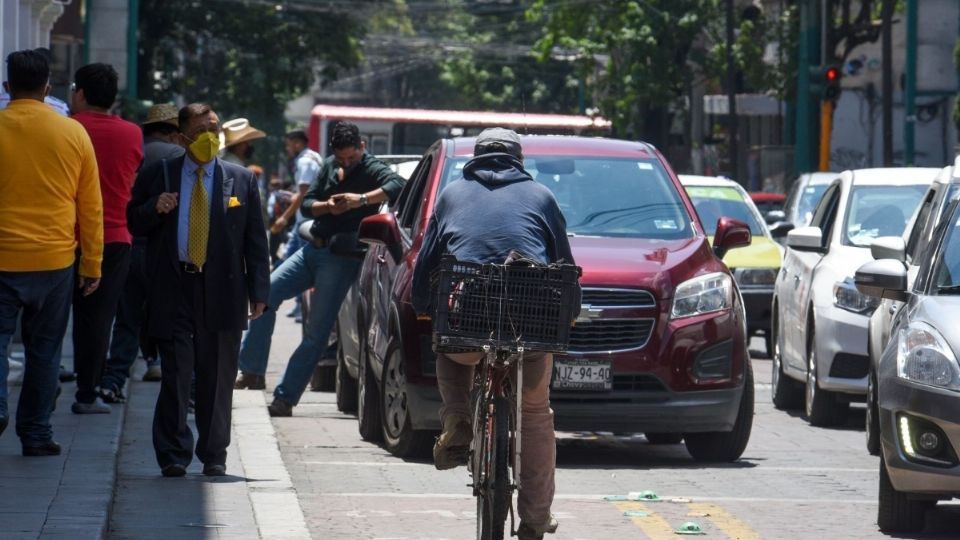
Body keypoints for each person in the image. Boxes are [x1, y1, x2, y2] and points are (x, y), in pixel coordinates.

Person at [410, 128, 574, 540]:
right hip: (530, 329)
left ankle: (458, 416)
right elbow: (564, 264)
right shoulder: (542, 196)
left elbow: (428, 262)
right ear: (519, 158)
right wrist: (569, 314)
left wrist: (422, 306)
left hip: (469, 324)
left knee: (446, 348)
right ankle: (535, 519)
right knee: (535, 415)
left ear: (476, 156)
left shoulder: (450, 194)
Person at [126, 103, 270, 477]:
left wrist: (259, 291)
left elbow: (256, 241)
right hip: (175, 288)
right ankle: (174, 452)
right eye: (202, 129)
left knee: (218, 376)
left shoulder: (240, 180)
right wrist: (153, 208)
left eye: (215, 128)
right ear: (180, 136)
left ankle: (214, 452)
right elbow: (133, 221)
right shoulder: (161, 174)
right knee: (177, 373)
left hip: (222, 290)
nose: (211, 136)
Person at [235, 122, 405, 416]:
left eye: (351, 157)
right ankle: (251, 370)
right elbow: (308, 204)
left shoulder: (372, 168)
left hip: (342, 258)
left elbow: (396, 186)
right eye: (341, 158)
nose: (346, 163)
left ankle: (285, 397)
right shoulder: (328, 165)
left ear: (362, 147)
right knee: (266, 295)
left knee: (316, 333)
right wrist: (330, 206)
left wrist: (360, 200)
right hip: (313, 247)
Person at [0, 49, 103, 455]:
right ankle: (37, 433)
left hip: (2, 256)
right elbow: (91, 206)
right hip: (55, 259)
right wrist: (92, 263)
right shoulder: (73, 133)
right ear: (48, 88)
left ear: (8, 87)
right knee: (45, 350)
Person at [68, 63, 144, 414]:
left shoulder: (68, 128)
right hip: (114, 236)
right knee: (98, 320)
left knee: (49, 319)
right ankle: (88, 392)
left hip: (65, 236)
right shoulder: (132, 134)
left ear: (81, 93)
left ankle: (45, 385)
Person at [98, 104, 185, 401]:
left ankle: (113, 380)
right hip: (163, 250)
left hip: (126, 242)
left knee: (127, 319)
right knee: (172, 320)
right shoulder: (178, 157)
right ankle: (179, 385)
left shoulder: (132, 150)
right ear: (175, 133)